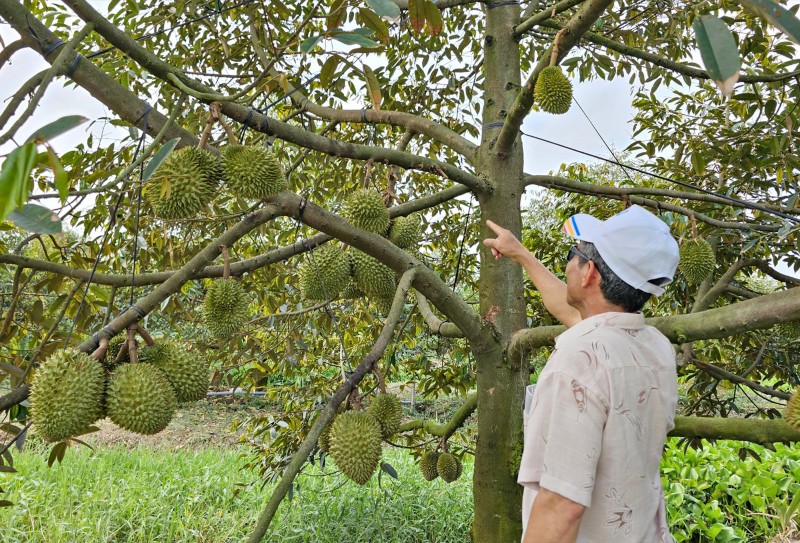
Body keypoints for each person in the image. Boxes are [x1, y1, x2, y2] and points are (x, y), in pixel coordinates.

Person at [483, 205, 680, 543]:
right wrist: (522, 255)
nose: (568, 262)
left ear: (589, 273)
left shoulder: (578, 360)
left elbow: (562, 506)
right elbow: (576, 314)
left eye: (574, 254)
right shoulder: (654, 347)